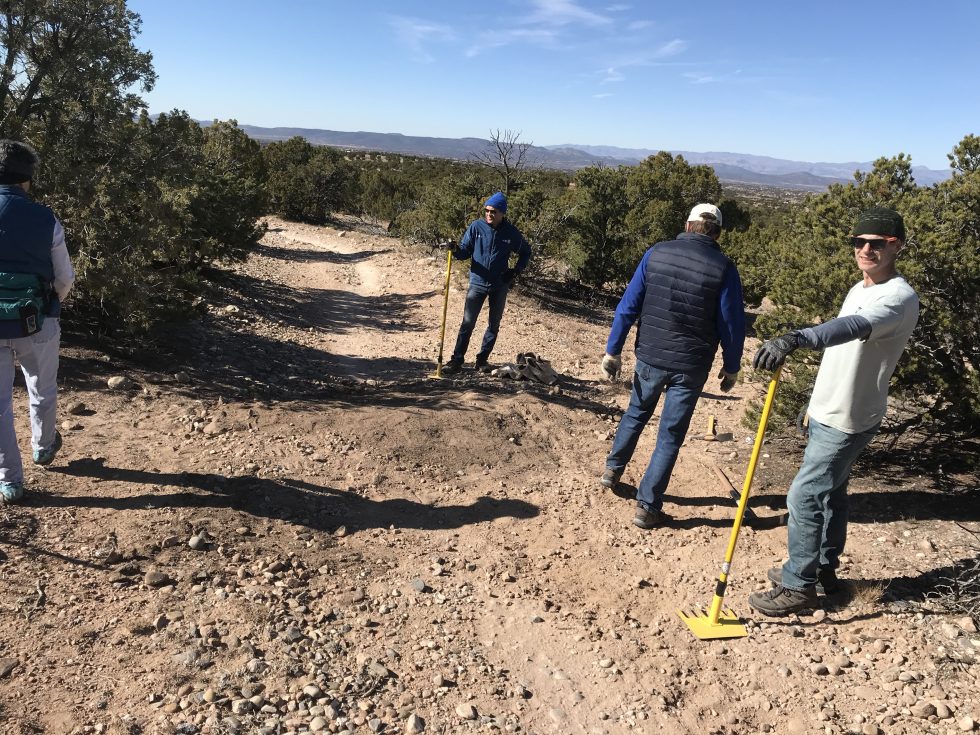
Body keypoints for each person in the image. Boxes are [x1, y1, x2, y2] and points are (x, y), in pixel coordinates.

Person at [748, 206, 919, 616]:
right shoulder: (860, 288)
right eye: (858, 242)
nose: (865, 250)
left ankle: (798, 585)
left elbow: (850, 329)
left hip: (848, 418)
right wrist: (814, 403)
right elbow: (842, 354)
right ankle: (823, 571)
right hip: (829, 411)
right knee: (831, 497)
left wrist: (796, 337)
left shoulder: (898, 298)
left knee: (804, 495)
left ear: (897, 246)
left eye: (876, 244)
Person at [599, 203, 745, 529]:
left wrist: (613, 350)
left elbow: (628, 305)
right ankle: (647, 507)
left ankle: (612, 470)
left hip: (650, 355)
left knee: (636, 413)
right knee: (670, 435)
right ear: (718, 233)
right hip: (691, 365)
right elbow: (731, 324)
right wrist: (731, 366)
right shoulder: (723, 268)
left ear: (688, 225)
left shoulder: (657, 253)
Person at [0, 140, 75, 503]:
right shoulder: (45, 218)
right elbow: (64, 278)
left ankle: (10, 482)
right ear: (27, 178)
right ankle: (43, 447)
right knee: (42, 387)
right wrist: (50, 304)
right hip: (37, 320)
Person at [440, 192, 531, 375]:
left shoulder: (510, 232)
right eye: (487, 210)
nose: (489, 214)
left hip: (499, 285)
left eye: (493, 211)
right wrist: (455, 249)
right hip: (477, 283)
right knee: (467, 323)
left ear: (502, 213)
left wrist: (515, 271)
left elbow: (526, 252)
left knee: (493, 325)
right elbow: (464, 252)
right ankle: (456, 360)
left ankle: (482, 360)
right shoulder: (476, 227)